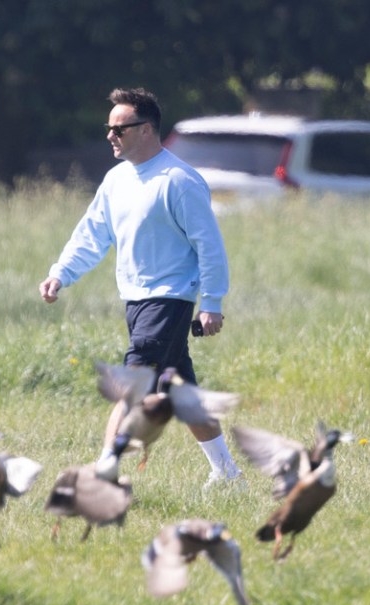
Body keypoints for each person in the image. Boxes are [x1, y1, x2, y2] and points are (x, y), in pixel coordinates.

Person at [39, 87, 242, 487]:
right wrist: (61, 272)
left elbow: (209, 246)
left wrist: (212, 301)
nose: (111, 136)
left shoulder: (180, 181)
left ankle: (104, 469)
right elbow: (92, 235)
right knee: (182, 391)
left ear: (146, 130)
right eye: (109, 129)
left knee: (131, 386)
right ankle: (227, 473)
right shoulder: (116, 181)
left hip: (168, 299)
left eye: (120, 129)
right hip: (135, 300)